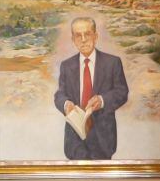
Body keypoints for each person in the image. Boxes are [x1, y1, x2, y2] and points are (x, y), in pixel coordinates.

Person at [54, 17, 129, 160]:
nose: (83, 40)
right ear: (73, 40)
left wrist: (102, 100)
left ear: (96, 36)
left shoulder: (112, 63)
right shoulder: (66, 66)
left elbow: (122, 92)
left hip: (103, 139)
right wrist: (66, 104)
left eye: (87, 34)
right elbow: (60, 94)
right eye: (78, 35)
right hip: (74, 139)